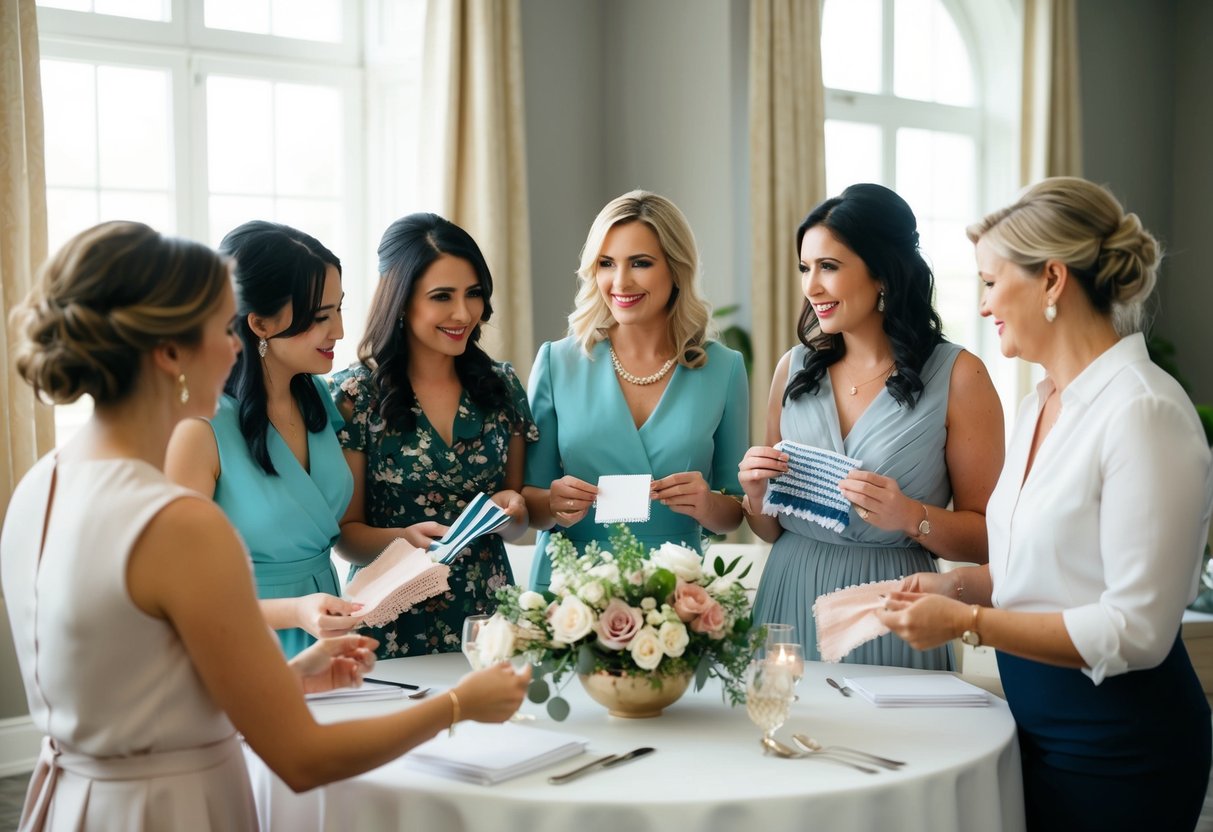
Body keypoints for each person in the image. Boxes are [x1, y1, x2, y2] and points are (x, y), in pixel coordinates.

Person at [1, 221, 529, 831]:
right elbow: (302, 758)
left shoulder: (41, 483)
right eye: (222, 325)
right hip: (171, 809)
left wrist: (293, 675)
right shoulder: (180, 523)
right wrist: (461, 703)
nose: (234, 345)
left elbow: (139, 679)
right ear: (170, 351)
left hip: (75, 803)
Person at [878, 178, 1213, 830]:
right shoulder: (1039, 404)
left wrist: (964, 624)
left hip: (1120, 746)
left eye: (989, 281)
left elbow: (1135, 631)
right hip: (1030, 723)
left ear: (1051, 280)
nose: (980, 306)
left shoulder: (1142, 411)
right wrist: (956, 586)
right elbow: (1044, 572)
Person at [739, 183, 1004, 669]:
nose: (810, 287)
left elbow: (991, 537)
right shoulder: (793, 368)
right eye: (805, 268)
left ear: (882, 273)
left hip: (893, 605)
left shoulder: (960, 375)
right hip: (787, 593)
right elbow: (770, 530)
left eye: (829, 267)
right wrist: (756, 497)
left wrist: (909, 516)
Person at [329, 213, 536, 657]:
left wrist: (512, 511)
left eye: (474, 294)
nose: (464, 313)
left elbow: (517, 521)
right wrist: (403, 536)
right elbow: (346, 536)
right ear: (402, 302)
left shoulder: (503, 388)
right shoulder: (356, 395)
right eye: (442, 296)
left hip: (488, 616)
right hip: (390, 615)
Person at [523, 190, 750, 592]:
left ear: (677, 269)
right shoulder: (557, 362)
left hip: (674, 586)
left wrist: (707, 504)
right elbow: (530, 499)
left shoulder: (724, 368)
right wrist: (553, 501)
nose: (621, 281)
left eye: (641, 263)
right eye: (607, 263)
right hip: (568, 589)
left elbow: (735, 510)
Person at [167, 221, 362, 658]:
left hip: (327, 630)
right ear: (259, 324)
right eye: (320, 318)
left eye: (340, 309)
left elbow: (340, 528)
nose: (340, 332)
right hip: (246, 641)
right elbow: (181, 591)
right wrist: (295, 611)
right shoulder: (200, 428)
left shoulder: (316, 397)